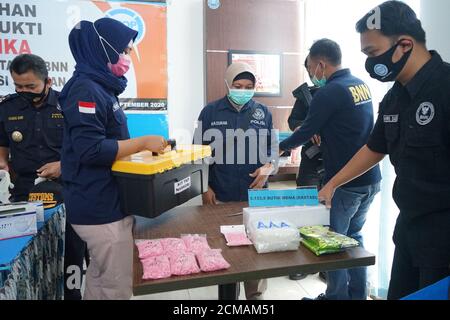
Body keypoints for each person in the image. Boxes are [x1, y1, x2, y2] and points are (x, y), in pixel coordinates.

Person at [319, 1, 450, 300]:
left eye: (373, 53)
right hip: (408, 231)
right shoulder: (393, 98)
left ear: (404, 44)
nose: (369, 63)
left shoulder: (445, 88)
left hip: (444, 238)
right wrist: (333, 183)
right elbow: (374, 148)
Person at [59, 18, 168, 300]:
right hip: (99, 207)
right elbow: (91, 150)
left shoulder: (101, 87)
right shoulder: (86, 89)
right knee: (117, 286)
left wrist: (139, 151)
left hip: (106, 200)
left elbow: (108, 140)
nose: (128, 58)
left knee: (99, 276)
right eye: (126, 51)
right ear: (104, 49)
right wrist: (142, 142)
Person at [279, 39, 382, 300]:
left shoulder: (330, 92)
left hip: (344, 184)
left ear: (320, 64)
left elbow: (304, 131)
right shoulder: (360, 85)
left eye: (311, 67)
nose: (311, 73)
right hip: (369, 179)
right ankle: (356, 295)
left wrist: (275, 151)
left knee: (335, 243)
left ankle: (336, 297)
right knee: (354, 238)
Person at [0, 53, 87, 300]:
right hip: (23, 193)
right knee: (27, 255)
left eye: (31, 86)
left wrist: (63, 164)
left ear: (47, 82)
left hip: (66, 190)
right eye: (18, 86)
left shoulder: (68, 104)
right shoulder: (7, 107)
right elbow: (3, 144)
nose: (24, 91)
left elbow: (85, 148)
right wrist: (3, 164)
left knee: (71, 251)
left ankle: (72, 295)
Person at [194, 62, 277, 300]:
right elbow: (197, 152)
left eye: (248, 86)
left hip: (256, 195)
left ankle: (256, 295)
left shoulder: (263, 112)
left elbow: (273, 150)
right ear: (227, 85)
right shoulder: (210, 112)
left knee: (257, 250)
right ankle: (228, 296)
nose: (243, 90)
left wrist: (268, 168)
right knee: (226, 251)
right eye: (238, 85)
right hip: (221, 193)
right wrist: (205, 186)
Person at [287, 64, 324, 282]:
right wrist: (306, 128)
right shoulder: (306, 95)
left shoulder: (339, 92)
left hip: (335, 161)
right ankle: (306, 262)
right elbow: (293, 121)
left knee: (331, 213)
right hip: (311, 160)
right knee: (306, 210)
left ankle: (328, 266)